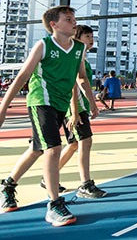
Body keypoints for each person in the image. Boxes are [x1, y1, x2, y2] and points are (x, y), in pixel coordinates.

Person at [0, 5, 93, 225]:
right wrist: (3, 107)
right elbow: (23, 76)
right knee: (54, 147)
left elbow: (81, 78)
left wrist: (91, 102)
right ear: (54, 24)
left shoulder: (78, 48)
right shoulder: (43, 45)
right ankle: (54, 204)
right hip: (40, 102)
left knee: (37, 149)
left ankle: (8, 185)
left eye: (74, 18)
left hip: (60, 104)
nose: (74, 23)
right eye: (69, 19)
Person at [43, 25, 106, 199]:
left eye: (92, 36)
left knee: (74, 144)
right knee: (85, 141)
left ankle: (47, 176)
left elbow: (84, 83)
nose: (91, 39)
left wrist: (93, 103)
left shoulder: (83, 60)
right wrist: (74, 111)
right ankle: (85, 184)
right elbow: (72, 86)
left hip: (79, 106)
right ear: (77, 39)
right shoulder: (74, 58)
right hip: (74, 107)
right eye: (87, 36)